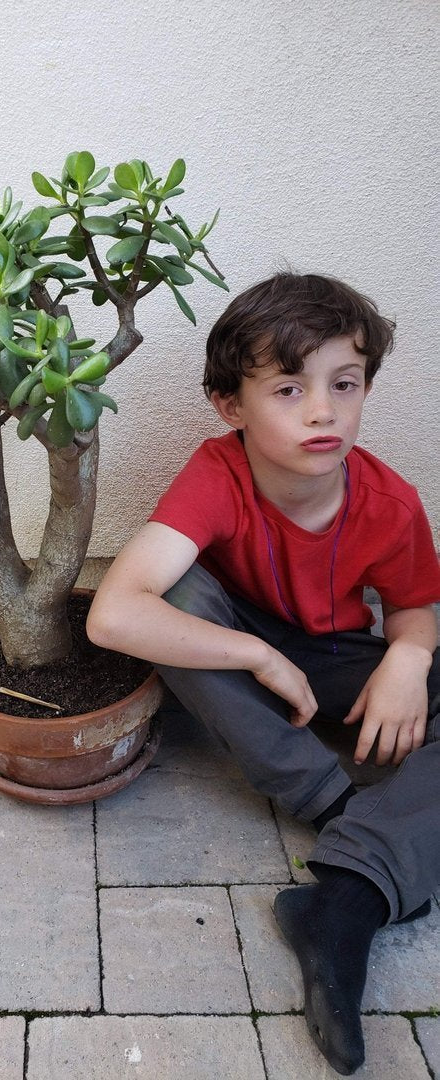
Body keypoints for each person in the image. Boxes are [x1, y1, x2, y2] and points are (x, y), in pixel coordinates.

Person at [86, 272, 440, 1076]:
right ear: (231, 406)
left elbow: (417, 605)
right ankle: (335, 805)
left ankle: (342, 902)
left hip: (339, 660)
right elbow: (113, 614)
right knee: (169, 597)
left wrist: (410, 659)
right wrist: (257, 653)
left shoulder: (391, 501)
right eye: (289, 388)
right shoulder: (219, 474)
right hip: (240, 641)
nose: (323, 411)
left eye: (343, 385)